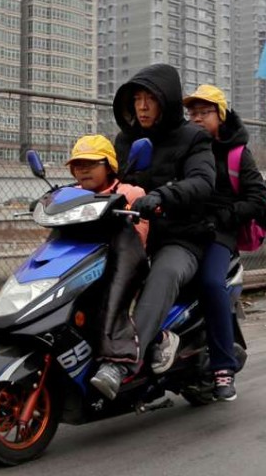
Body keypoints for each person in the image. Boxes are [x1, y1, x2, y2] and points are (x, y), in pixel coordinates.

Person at [90, 64, 216, 399]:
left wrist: (162, 196)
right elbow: (111, 180)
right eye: (137, 100)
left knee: (163, 274)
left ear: (168, 102)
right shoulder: (125, 139)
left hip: (180, 237)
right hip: (134, 233)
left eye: (150, 99)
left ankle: (120, 362)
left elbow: (202, 181)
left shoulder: (194, 138)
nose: (142, 107)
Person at [183, 84, 266, 401]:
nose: (196, 119)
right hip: (184, 228)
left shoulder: (236, 153)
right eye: (192, 113)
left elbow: (258, 198)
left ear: (220, 115)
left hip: (220, 232)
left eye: (204, 113)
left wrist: (223, 217)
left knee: (209, 283)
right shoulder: (185, 147)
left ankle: (222, 368)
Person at [65, 135, 149, 386]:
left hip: (123, 267)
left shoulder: (129, 193)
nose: (83, 170)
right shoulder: (70, 194)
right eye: (78, 165)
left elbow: (139, 237)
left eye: (91, 164)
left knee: (115, 294)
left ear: (109, 166)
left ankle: (118, 362)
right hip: (82, 268)